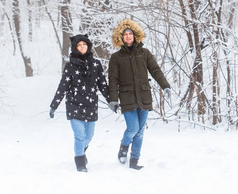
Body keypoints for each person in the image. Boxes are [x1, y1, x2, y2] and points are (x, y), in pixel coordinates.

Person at [108, 19, 171, 170]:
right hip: (127, 97)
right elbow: (113, 79)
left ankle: (134, 161)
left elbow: (155, 70)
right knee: (133, 128)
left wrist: (165, 86)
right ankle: (124, 147)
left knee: (140, 132)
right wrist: (113, 99)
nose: (128, 36)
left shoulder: (145, 53)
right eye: (125, 34)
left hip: (144, 96)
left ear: (135, 35)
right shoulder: (116, 58)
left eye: (130, 34)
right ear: (121, 37)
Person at [49, 34, 109, 172]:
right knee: (79, 136)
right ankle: (80, 163)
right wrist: (54, 105)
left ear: (88, 46)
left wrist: (111, 100)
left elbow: (102, 85)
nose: (82, 47)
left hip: (91, 105)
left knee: (89, 136)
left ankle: (81, 151)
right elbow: (63, 86)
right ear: (75, 48)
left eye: (84, 44)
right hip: (74, 105)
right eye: (79, 45)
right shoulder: (70, 66)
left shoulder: (96, 64)